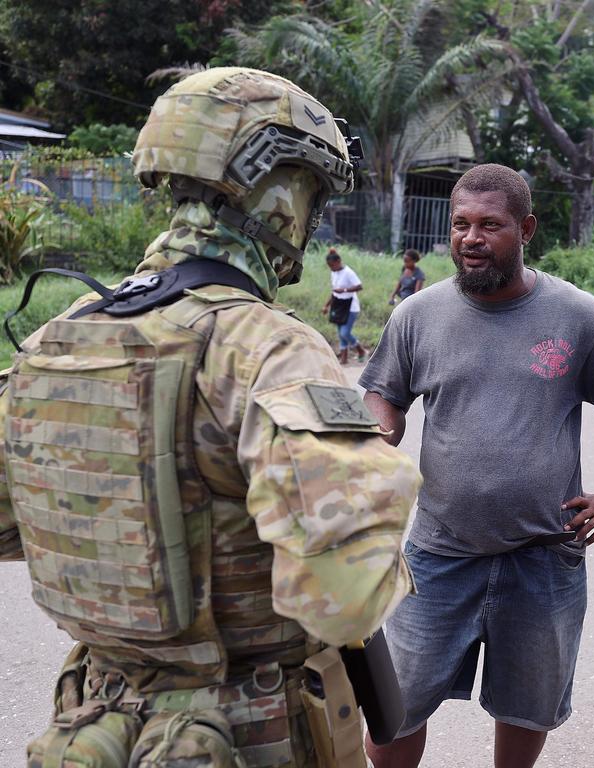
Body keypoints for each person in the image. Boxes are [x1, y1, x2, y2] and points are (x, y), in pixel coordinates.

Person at [0, 67, 420, 767]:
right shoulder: (269, 349)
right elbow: (346, 596)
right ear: (281, 191)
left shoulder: (58, 337)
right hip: (248, 727)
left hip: (93, 721)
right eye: (312, 196)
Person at [358, 163, 594, 768]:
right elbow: (383, 392)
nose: (471, 238)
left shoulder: (578, 316)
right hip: (437, 556)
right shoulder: (418, 315)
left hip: (543, 557)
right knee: (394, 708)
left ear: (526, 229)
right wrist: (381, 435)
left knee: (527, 708)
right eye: (460, 224)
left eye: (490, 225)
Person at [323, 247, 368, 363]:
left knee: (345, 333)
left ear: (338, 262)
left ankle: (361, 350)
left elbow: (359, 286)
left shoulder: (348, 272)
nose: (331, 268)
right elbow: (334, 291)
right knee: (340, 333)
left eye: (332, 265)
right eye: (329, 266)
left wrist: (344, 290)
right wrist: (327, 305)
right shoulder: (334, 273)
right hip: (338, 305)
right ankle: (344, 358)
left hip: (351, 307)